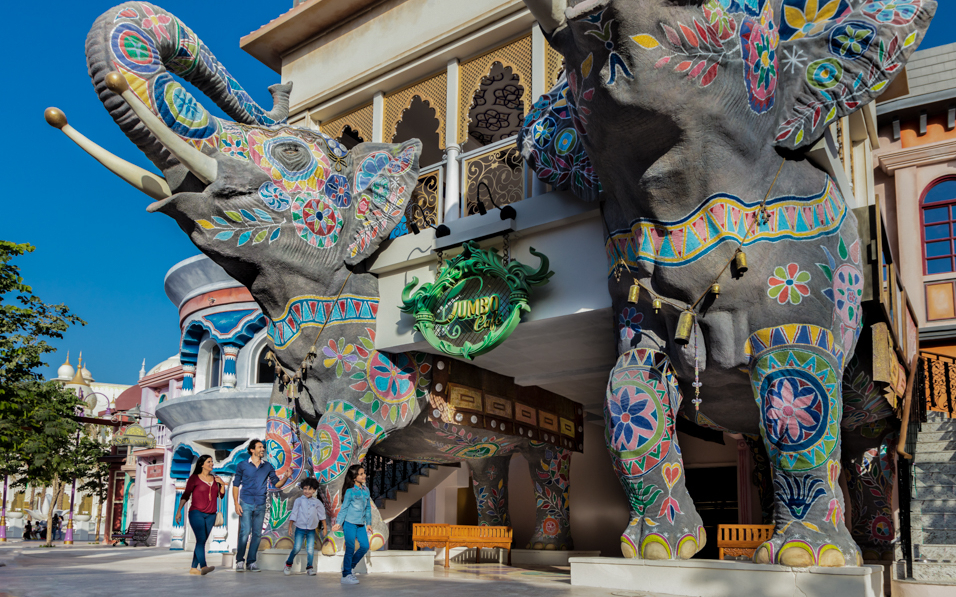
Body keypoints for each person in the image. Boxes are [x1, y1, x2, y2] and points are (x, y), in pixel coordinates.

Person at [232, 438, 290, 572]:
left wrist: (286, 477)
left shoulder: (268, 466)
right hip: (245, 502)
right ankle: (240, 560)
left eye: (263, 447)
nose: (262, 449)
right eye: (259, 447)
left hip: (261, 503)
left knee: (257, 534)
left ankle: (251, 562)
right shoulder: (242, 465)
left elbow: (276, 484)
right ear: (252, 450)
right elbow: (236, 485)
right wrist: (236, 503)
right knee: (244, 532)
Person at [176, 454, 226, 575]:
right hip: (196, 512)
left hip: (211, 514)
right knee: (201, 539)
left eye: (212, 462)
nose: (211, 464)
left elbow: (221, 495)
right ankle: (203, 566)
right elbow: (186, 495)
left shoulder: (215, 479)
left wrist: (223, 484)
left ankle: (193, 568)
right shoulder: (194, 478)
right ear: (201, 464)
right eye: (209, 462)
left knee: (201, 541)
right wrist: (179, 511)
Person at [332, 465, 371, 585]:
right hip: (349, 523)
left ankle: (349, 567)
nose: (364, 475)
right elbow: (344, 509)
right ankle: (346, 575)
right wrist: (339, 523)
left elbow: (368, 508)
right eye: (360, 474)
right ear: (354, 477)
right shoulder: (350, 492)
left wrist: (368, 524)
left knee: (365, 546)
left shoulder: (366, 490)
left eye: (364, 473)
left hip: (361, 525)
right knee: (350, 548)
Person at [283, 477, 327, 576]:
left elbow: (322, 515)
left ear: (314, 490)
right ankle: (288, 564)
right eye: (305, 488)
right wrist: (290, 526)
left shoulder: (317, 503)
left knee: (310, 549)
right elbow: (293, 514)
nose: (307, 491)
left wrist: (325, 527)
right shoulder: (298, 501)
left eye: (310, 489)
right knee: (297, 548)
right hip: (300, 529)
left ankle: (310, 567)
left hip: (311, 529)